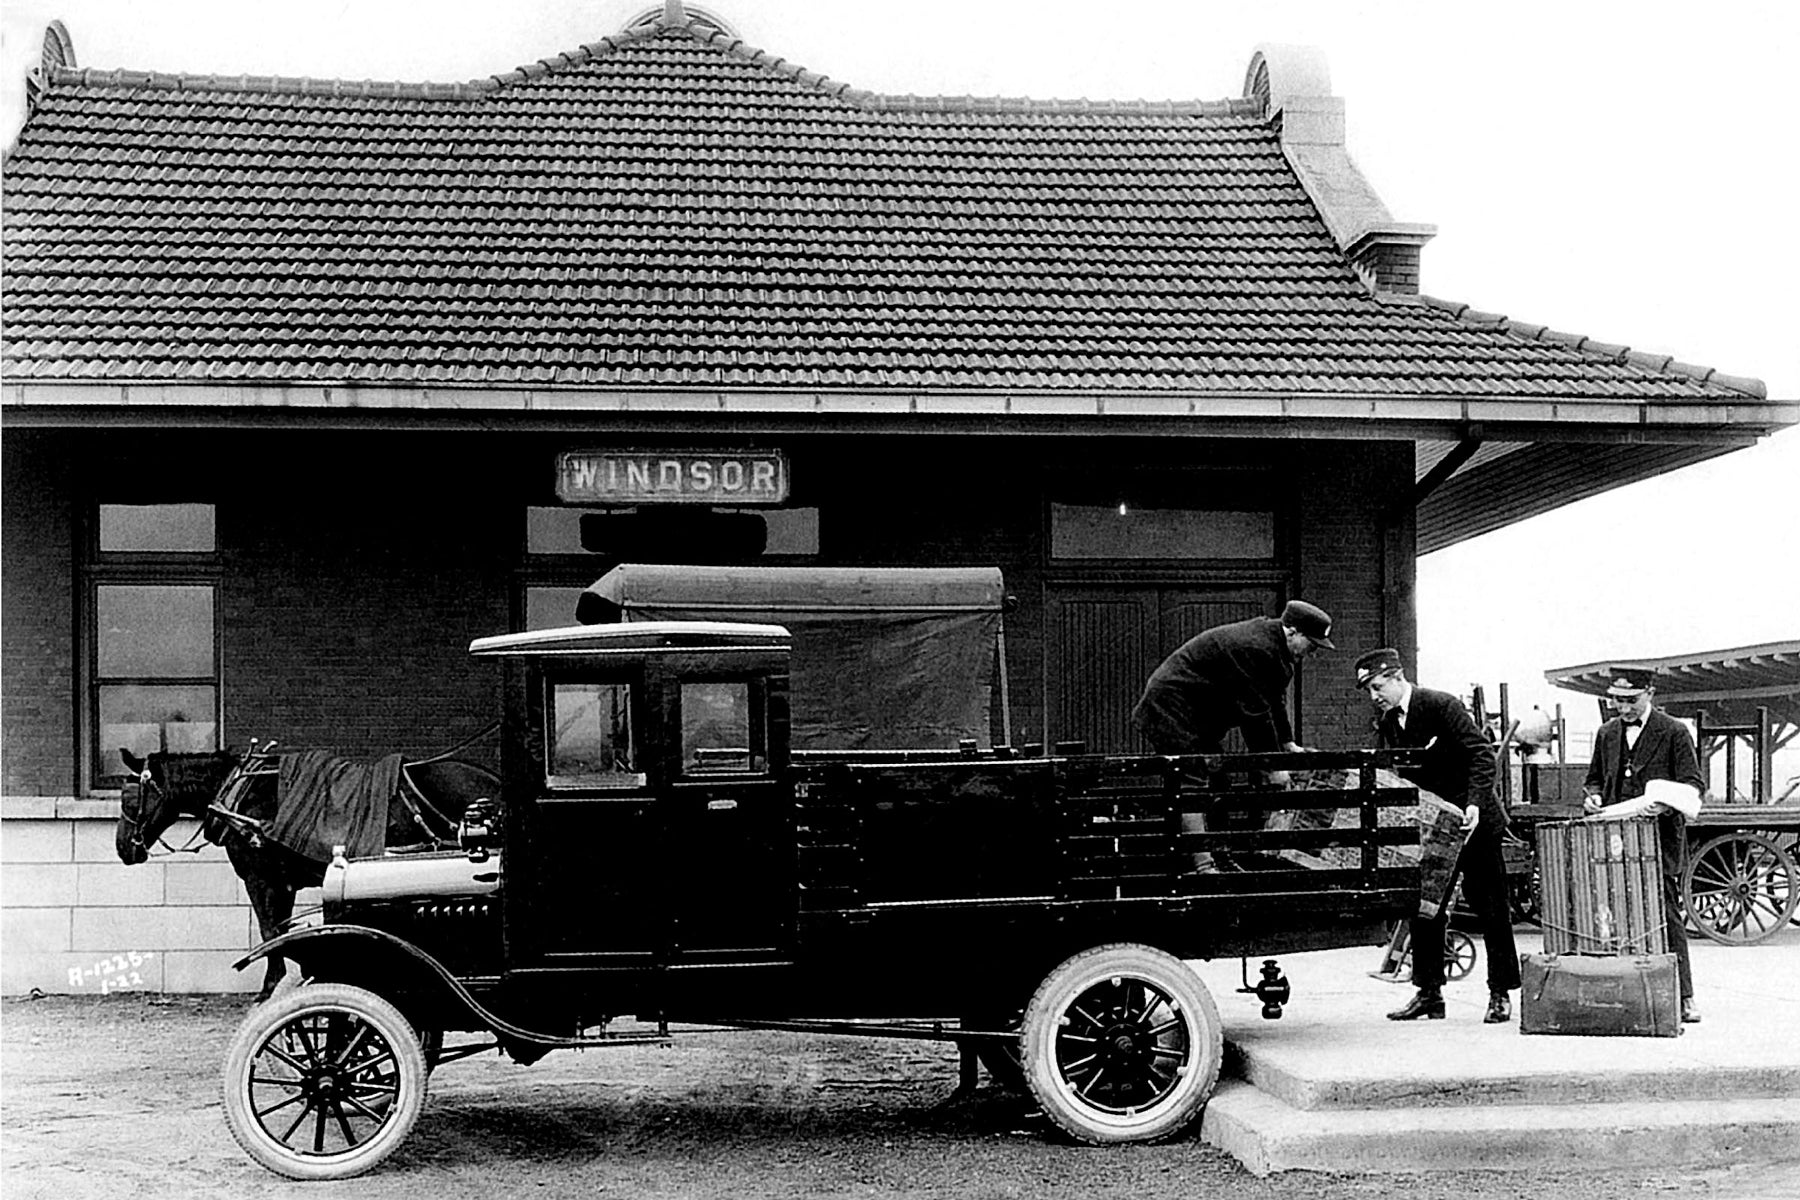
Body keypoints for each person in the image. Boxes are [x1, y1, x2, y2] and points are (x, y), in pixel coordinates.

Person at [1354, 647, 1520, 1024]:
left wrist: (1476, 804)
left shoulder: (1441, 705)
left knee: (1490, 906)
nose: (1374, 695)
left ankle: (1500, 993)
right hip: (1432, 828)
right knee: (1424, 907)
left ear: (1398, 678)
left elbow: (1481, 755)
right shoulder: (1387, 722)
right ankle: (1429, 993)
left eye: (1378, 686)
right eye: (1368, 690)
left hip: (1472, 822)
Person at [1131, 600, 1336, 871]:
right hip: (1170, 709)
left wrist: (1287, 743)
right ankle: (1203, 866)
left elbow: (1273, 701)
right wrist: (1273, 767)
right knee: (1192, 780)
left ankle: (1222, 857)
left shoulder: (1276, 650)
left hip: (1195, 715)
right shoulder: (1256, 647)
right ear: (1292, 632)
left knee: (1219, 781)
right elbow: (1255, 717)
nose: (1311, 652)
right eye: (1310, 644)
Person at [1583, 665, 1704, 1024]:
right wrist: (1592, 796)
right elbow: (1593, 779)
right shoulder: (1606, 733)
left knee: (1666, 915)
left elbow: (1693, 784)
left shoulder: (1674, 732)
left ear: (1650, 693)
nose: (1623, 709)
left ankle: (1684, 996)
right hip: (1617, 839)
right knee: (1616, 915)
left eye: (1630, 701)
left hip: (1659, 839)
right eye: (1617, 702)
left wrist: (1667, 802)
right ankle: (1626, 994)